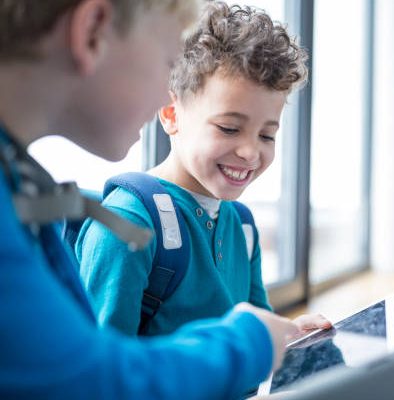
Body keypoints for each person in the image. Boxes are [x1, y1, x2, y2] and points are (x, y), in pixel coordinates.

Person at [0, 1, 301, 398]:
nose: (167, 90)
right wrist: (251, 343)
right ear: (93, 30)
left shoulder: (21, 191)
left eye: (267, 135)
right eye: (166, 59)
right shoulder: (125, 218)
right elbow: (88, 383)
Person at [76, 2, 331, 338]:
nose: (251, 151)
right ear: (170, 114)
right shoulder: (127, 224)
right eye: (228, 128)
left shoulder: (242, 227)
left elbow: (255, 328)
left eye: (267, 134)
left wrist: (290, 335)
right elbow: (102, 374)